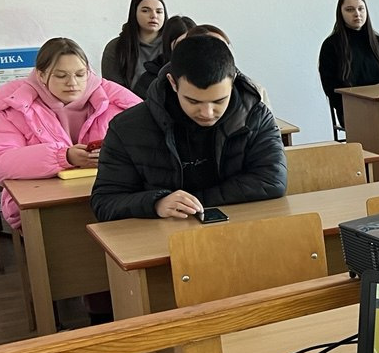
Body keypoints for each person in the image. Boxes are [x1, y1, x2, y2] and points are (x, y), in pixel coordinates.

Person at [91, 34, 286, 221]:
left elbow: (272, 181)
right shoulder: (127, 128)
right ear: (173, 83)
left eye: (219, 101)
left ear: (232, 81)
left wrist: (192, 203)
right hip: (163, 235)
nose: (207, 112)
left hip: (240, 228)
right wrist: (157, 203)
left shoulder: (254, 116)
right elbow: (105, 202)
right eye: (193, 101)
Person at [0, 38, 140, 231]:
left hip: (109, 194)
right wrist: (63, 157)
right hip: (44, 204)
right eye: (61, 76)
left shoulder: (116, 102)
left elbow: (146, 146)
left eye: (80, 74)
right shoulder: (15, 107)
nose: (72, 83)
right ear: (41, 75)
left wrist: (113, 156)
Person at [317, 0, 379, 130]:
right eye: (350, 10)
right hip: (352, 109)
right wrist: (362, 97)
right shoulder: (331, 45)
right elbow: (331, 88)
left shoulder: (377, 42)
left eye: (361, 9)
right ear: (340, 13)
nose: (357, 14)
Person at [102, 0, 167, 91]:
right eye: (145, 11)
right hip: (128, 100)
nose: (154, 16)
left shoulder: (173, 44)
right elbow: (114, 90)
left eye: (159, 11)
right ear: (134, 13)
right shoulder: (116, 46)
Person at [132, 15, 196, 99]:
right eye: (180, 43)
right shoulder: (150, 79)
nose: (187, 48)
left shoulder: (207, 72)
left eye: (192, 43)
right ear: (168, 44)